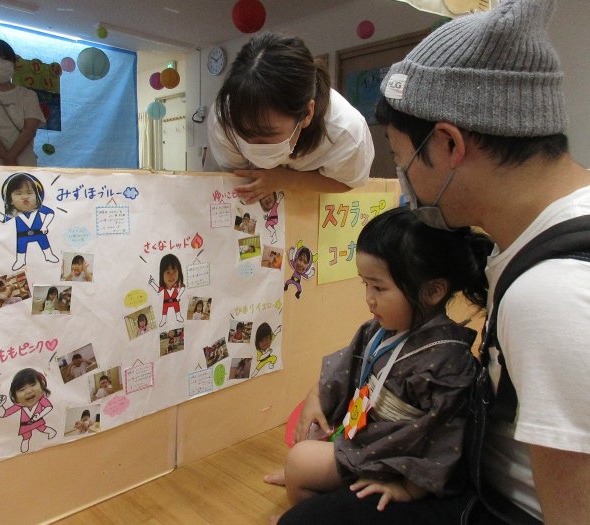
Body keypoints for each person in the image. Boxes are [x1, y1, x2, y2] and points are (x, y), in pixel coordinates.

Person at [285, 1, 590, 523]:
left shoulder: (552, 293)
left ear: (449, 144)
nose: (403, 177)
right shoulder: (536, 235)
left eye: (400, 157)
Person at [268, 207, 491, 523]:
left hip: (396, 456)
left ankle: (304, 500)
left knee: (301, 461)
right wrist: (315, 396)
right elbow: (344, 371)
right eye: (365, 285)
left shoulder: (447, 362)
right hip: (367, 434)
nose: (369, 299)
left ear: (432, 291)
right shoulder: (377, 330)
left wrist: (410, 489)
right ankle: (310, 483)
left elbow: (445, 439)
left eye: (379, 287)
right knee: (309, 433)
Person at [208, 33, 374, 205]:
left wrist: (286, 179)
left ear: (307, 114)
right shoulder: (224, 118)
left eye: (267, 134)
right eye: (244, 133)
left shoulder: (346, 131)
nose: (253, 145)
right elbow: (237, 180)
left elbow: (347, 182)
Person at [0, 172, 59, 271]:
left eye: (29, 193)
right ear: (10, 200)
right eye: (18, 193)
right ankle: (21, 260)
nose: (25, 197)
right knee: (21, 244)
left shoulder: (38, 209)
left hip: (39, 232)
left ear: (37, 196)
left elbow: (50, 213)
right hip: (22, 235)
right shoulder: (15, 213)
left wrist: (45, 225)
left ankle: (48, 254)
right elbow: (3, 219)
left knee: (43, 240)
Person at [0, 368, 57, 453]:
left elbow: (49, 407)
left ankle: (51, 432)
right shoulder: (20, 405)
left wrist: (40, 415)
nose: (29, 391)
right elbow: (4, 413)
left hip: (38, 421)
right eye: (22, 390)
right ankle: (26, 441)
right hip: (25, 424)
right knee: (26, 435)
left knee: (42, 428)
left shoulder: (42, 400)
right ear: (14, 396)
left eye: (33, 385)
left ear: (42, 384)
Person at [148, 253, 186, 327]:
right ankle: (163, 320)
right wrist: (152, 283)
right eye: (168, 272)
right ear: (162, 274)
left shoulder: (177, 286)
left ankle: (178, 316)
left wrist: (178, 296)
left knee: (177, 307)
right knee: (164, 310)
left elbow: (183, 287)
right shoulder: (163, 288)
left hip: (175, 301)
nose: (171, 276)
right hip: (166, 302)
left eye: (174, 271)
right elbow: (157, 289)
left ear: (179, 272)